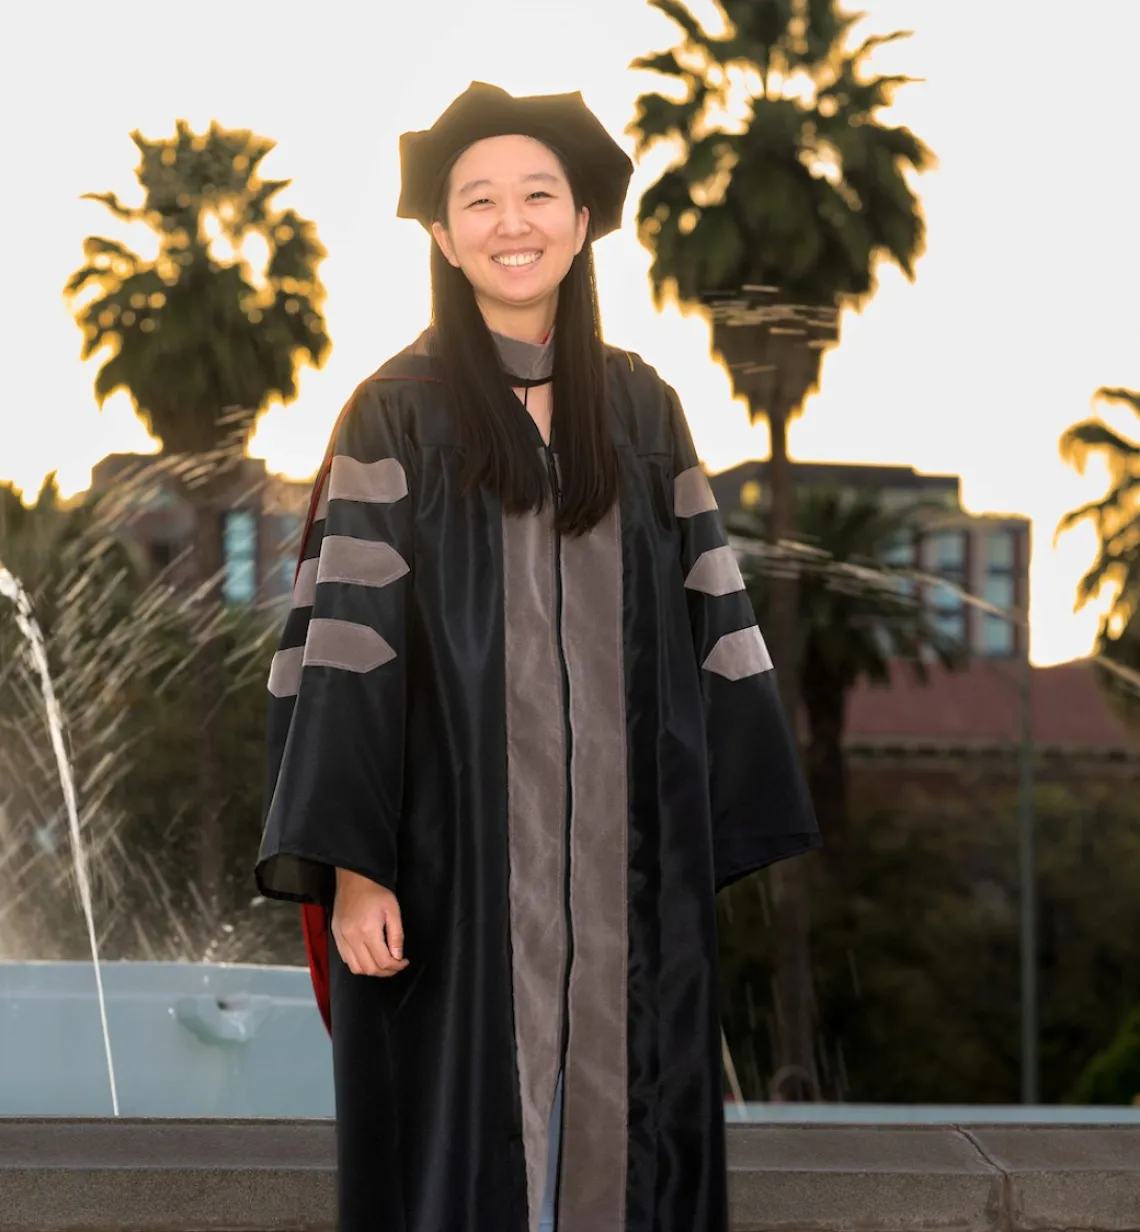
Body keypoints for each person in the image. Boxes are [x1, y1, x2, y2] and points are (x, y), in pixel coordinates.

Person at [256, 81, 819, 1232]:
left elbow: (716, 618)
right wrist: (356, 866)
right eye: (479, 201)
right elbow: (344, 653)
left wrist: (698, 837)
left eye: (536, 195)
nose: (512, 222)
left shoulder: (645, 411)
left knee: (636, 1151)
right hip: (450, 870)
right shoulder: (395, 414)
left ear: (582, 218)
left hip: (631, 879)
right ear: (443, 235)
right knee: (459, 1159)